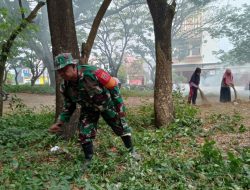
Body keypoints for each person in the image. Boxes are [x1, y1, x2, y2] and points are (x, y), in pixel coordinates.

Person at [48, 53, 138, 167]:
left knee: (120, 126)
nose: (61, 73)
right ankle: (88, 159)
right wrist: (60, 122)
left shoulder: (94, 73)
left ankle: (131, 151)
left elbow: (113, 87)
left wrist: (120, 109)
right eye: (59, 71)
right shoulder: (65, 86)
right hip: (88, 109)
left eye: (64, 69)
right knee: (84, 133)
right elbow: (69, 105)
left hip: (106, 104)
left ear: (73, 66)